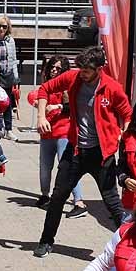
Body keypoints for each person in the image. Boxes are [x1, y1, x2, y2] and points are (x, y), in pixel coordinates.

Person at [33, 46, 132, 258]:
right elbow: (44, 90)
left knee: (112, 202)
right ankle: (46, 241)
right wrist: (41, 117)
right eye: (81, 69)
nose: (83, 74)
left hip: (101, 154)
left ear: (99, 69)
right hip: (75, 150)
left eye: (87, 70)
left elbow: (127, 114)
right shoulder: (73, 77)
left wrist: (122, 134)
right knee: (58, 196)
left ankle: (129, 245)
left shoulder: (112, 88)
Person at [29, 55, 87, 214]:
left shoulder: (68, 86)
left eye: (58, 68)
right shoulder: (46, 85)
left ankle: (79, 201)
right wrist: (39, 105)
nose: (54, 71)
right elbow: (34, 96)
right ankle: (45, 195)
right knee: (45, 167)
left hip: (63, 132)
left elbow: (72, 107)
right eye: (52, 67)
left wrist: (57, 106)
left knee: (67, 166)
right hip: (47, 133)